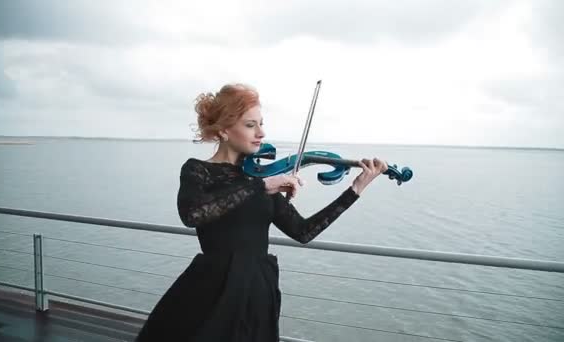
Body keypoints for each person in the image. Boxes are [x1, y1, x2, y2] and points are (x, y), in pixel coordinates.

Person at [136, 83, 387, 341]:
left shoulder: (257, 175)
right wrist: (261, 185)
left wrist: (355, 189)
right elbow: (193, 215)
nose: (261, 133)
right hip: (213, 286)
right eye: (250, 125)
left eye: (261, 123)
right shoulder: (199, 171)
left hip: (257, 286)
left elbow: (303, 232)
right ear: (223, 129)